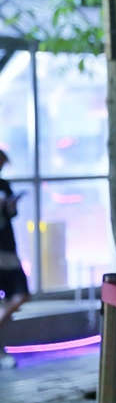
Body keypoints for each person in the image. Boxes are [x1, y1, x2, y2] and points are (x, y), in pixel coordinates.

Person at [0, 149, 29, 369]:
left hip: (8, 248)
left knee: (21, 294)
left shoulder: (4, 185)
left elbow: (12, 215)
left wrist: (11, 207)